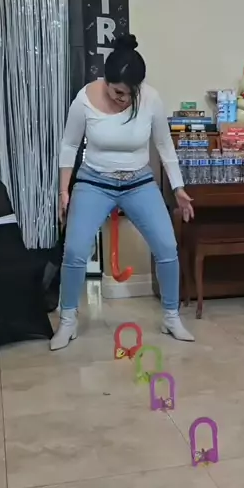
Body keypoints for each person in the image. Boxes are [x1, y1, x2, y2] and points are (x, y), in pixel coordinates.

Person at [51, 34, 195, 350]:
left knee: (167, 246)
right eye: (118, 92)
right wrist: (64, 190)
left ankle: (171, 317)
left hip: (138, 181)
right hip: (94, 181)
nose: (125, 99)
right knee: (74, 250)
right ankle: (68, 320)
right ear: (106, 82)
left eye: (131, 93)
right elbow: (70, 145)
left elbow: (164, 144)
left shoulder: (151, 99)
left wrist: (178, 187)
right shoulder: (85, 98)